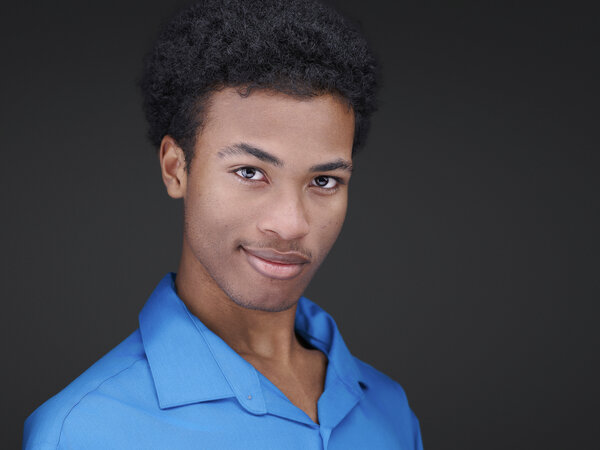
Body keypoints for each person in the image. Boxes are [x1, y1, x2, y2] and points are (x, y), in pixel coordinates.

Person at [23, 0, 423, 448]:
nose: (291, 224)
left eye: (324, 180)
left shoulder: (390, 411)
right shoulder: (84, 431)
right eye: (250, 172)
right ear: (176, 169)